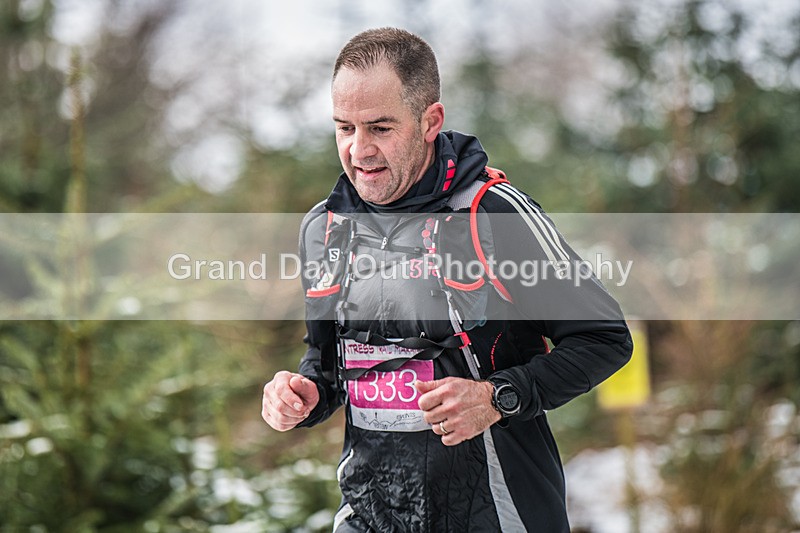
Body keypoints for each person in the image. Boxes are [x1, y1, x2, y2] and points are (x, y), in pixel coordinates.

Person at [261, 27, 633, 532]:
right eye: (344, 128)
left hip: (495, 515)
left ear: (430, 121)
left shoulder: (493, 215)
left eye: (380, 128)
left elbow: (605, 339)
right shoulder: (324, 229)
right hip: (370, 515)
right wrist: (303, 392)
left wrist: (496, 397)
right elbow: (328, 363)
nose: (358, 150)